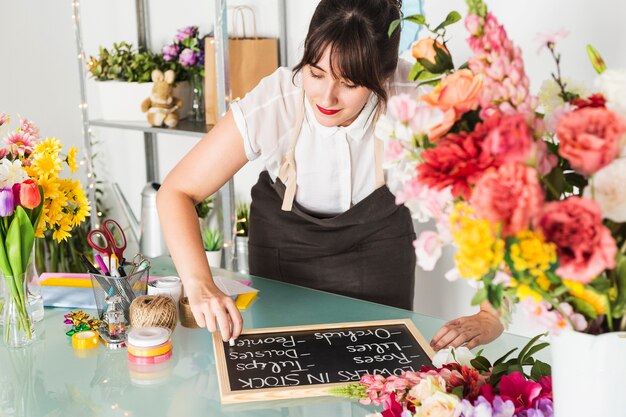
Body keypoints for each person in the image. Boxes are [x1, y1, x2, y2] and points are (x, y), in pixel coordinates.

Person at [157, 0, 503, 351]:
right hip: (282, 251)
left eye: (349, 83)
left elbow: (494, 205)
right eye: (316, 73)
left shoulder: (418, 98)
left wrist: (492, 313)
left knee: (379, 383)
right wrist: (200, 283)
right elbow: (177, 191)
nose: (326, 97)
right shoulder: (277, 97)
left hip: (379, 252)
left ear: (384, 76)